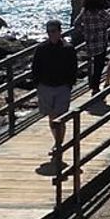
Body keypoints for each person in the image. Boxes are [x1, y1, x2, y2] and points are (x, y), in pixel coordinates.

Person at [30, 19, 79, 150]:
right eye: (49, 32)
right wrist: (38, 84)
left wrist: (70, 84)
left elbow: (73, 67)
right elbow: (35, 67)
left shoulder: (68, 48)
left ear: (59, 32)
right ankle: (57, 141)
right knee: (52, 117)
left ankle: (58, 144)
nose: (51, 34)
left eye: (54, 31)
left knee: (60, 117)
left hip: (62, 87)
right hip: (45, 87)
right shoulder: (41, 48)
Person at [74, 0, 110, 94]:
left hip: (89, 41)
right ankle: (95, 86)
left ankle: (92, 84)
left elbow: (76, 23)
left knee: (92, 63)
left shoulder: (85, 11)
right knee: (99, 65)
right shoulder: (100, 12)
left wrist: (84, 31)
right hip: (101, 41)